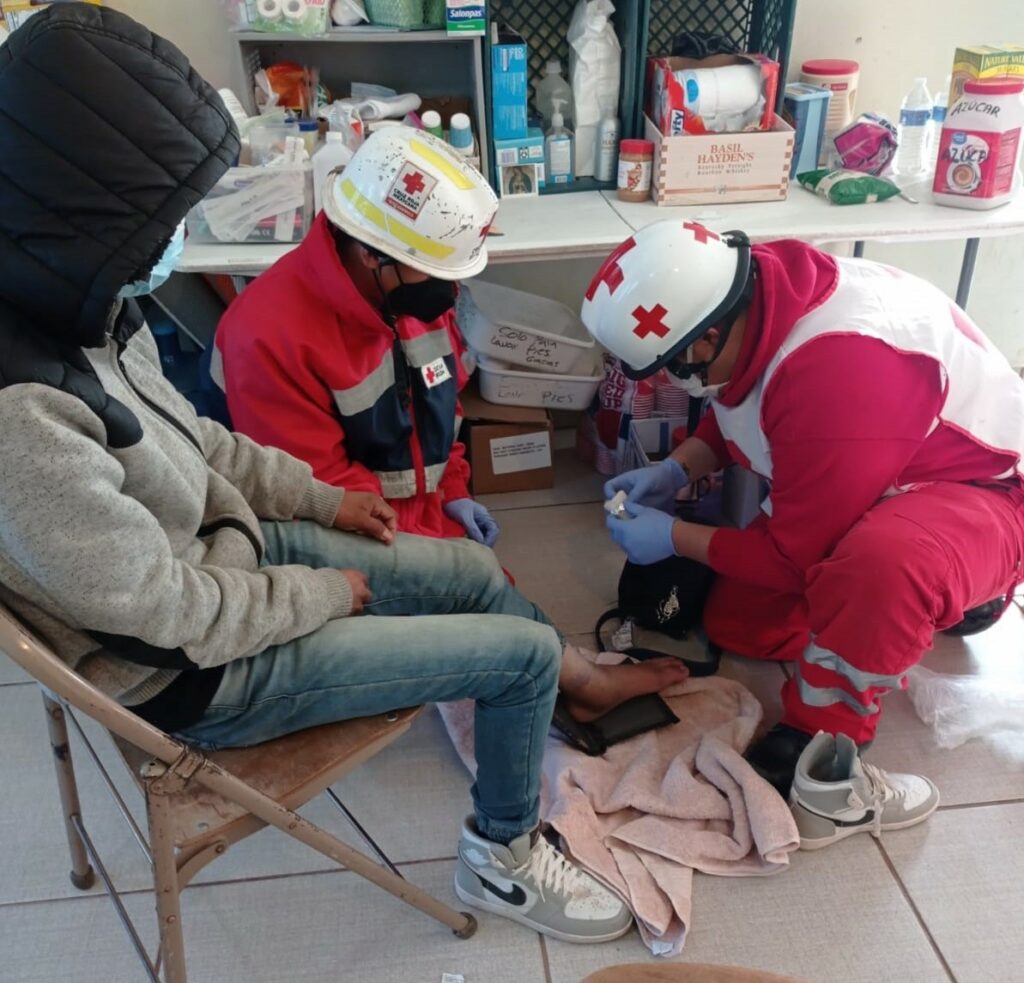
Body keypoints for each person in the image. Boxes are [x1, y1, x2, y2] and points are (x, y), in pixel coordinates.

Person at [0, 2, 686, 943]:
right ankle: (503, 853)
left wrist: (335, 507)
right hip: (197, 669)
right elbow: (165, 618)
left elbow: (204, 445)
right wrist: (321, 592)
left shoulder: (86, 307)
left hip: (219, 551)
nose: (177, 239)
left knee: (479, 576)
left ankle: (561, 683)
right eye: (165, 218)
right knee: (520, 656)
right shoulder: (25, 411)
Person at [582, 219, 1024, 844]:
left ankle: (825, 749)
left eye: (671, 369)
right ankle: (888, 610)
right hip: (879, 460)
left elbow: (791, 557)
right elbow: (743, 401)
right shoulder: (756, 295)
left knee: (878, 567)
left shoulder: (841, 370)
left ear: (706, 337)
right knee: (742, 626)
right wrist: (678, 467)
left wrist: (674, 538)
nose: (670, 384)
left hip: (979, 491)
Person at [214, 126, 500, 546]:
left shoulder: (405, 291)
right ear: (370, 252)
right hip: (351, 536)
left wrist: (453, 493)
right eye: (435, 272)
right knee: (491, 599)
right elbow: (322, 493)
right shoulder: (266, 335)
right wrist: (440, 552)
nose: (445, 289)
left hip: (425, 518)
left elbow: (443, 408)